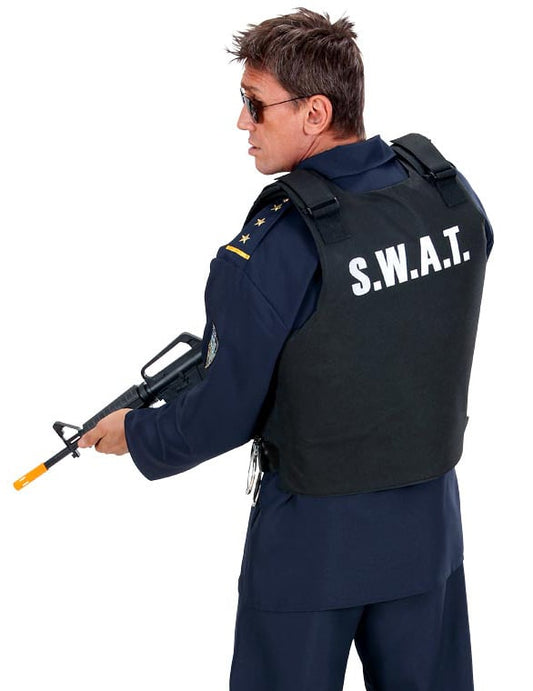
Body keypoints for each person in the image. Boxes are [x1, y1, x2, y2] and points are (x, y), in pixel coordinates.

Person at [78, 9, 493, 690]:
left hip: (312, 544)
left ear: (315, 112)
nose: (242, 122)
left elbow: (223, 414)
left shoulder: (275, 248)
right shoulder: (448, 197)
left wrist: (138, 431)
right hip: (428, 535)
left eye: (254, 103)